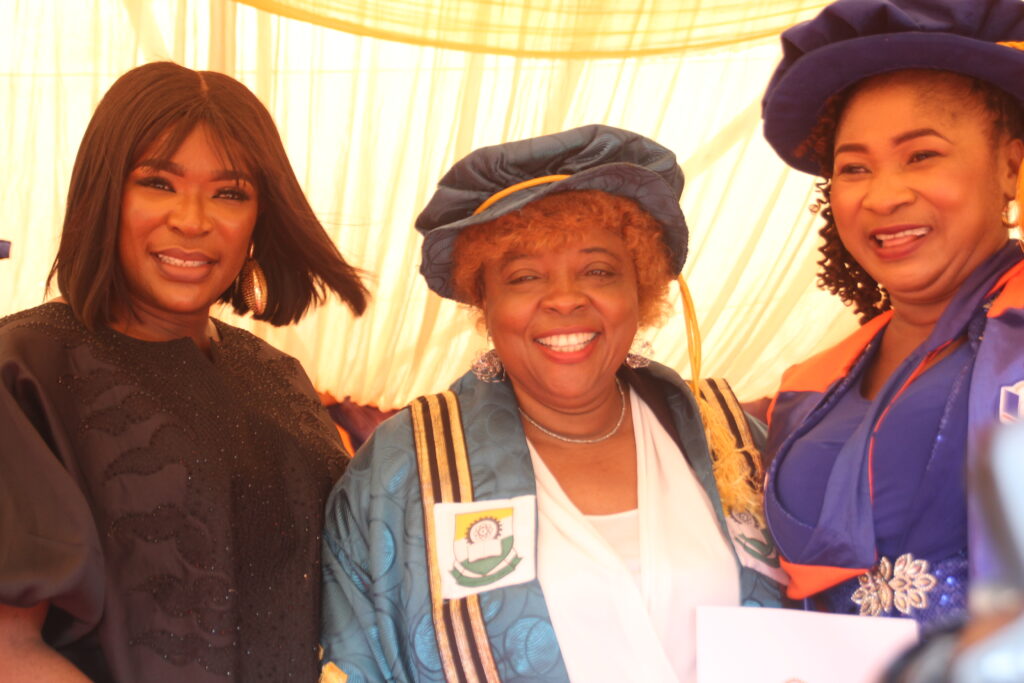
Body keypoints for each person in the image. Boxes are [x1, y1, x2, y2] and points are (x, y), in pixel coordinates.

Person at [320, 124, 782, 683]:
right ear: (484, 300)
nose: (565, 299)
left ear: (641, 288)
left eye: (598, 271)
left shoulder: (732, 441)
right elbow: (357, 655)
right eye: (524, 276)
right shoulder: (406, 468)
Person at [0, 61, 368, 681]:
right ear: (103, 195)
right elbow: (10, 650)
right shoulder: (23, 370)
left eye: (230, 193)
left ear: (260, 218)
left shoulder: (279, 379)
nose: (193, 219)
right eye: (158, 183)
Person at [760, 0, 1024, 633]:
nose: (882, 196)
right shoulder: (809, 388)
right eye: (854, 168)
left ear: (1010, 167)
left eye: (921, 155)